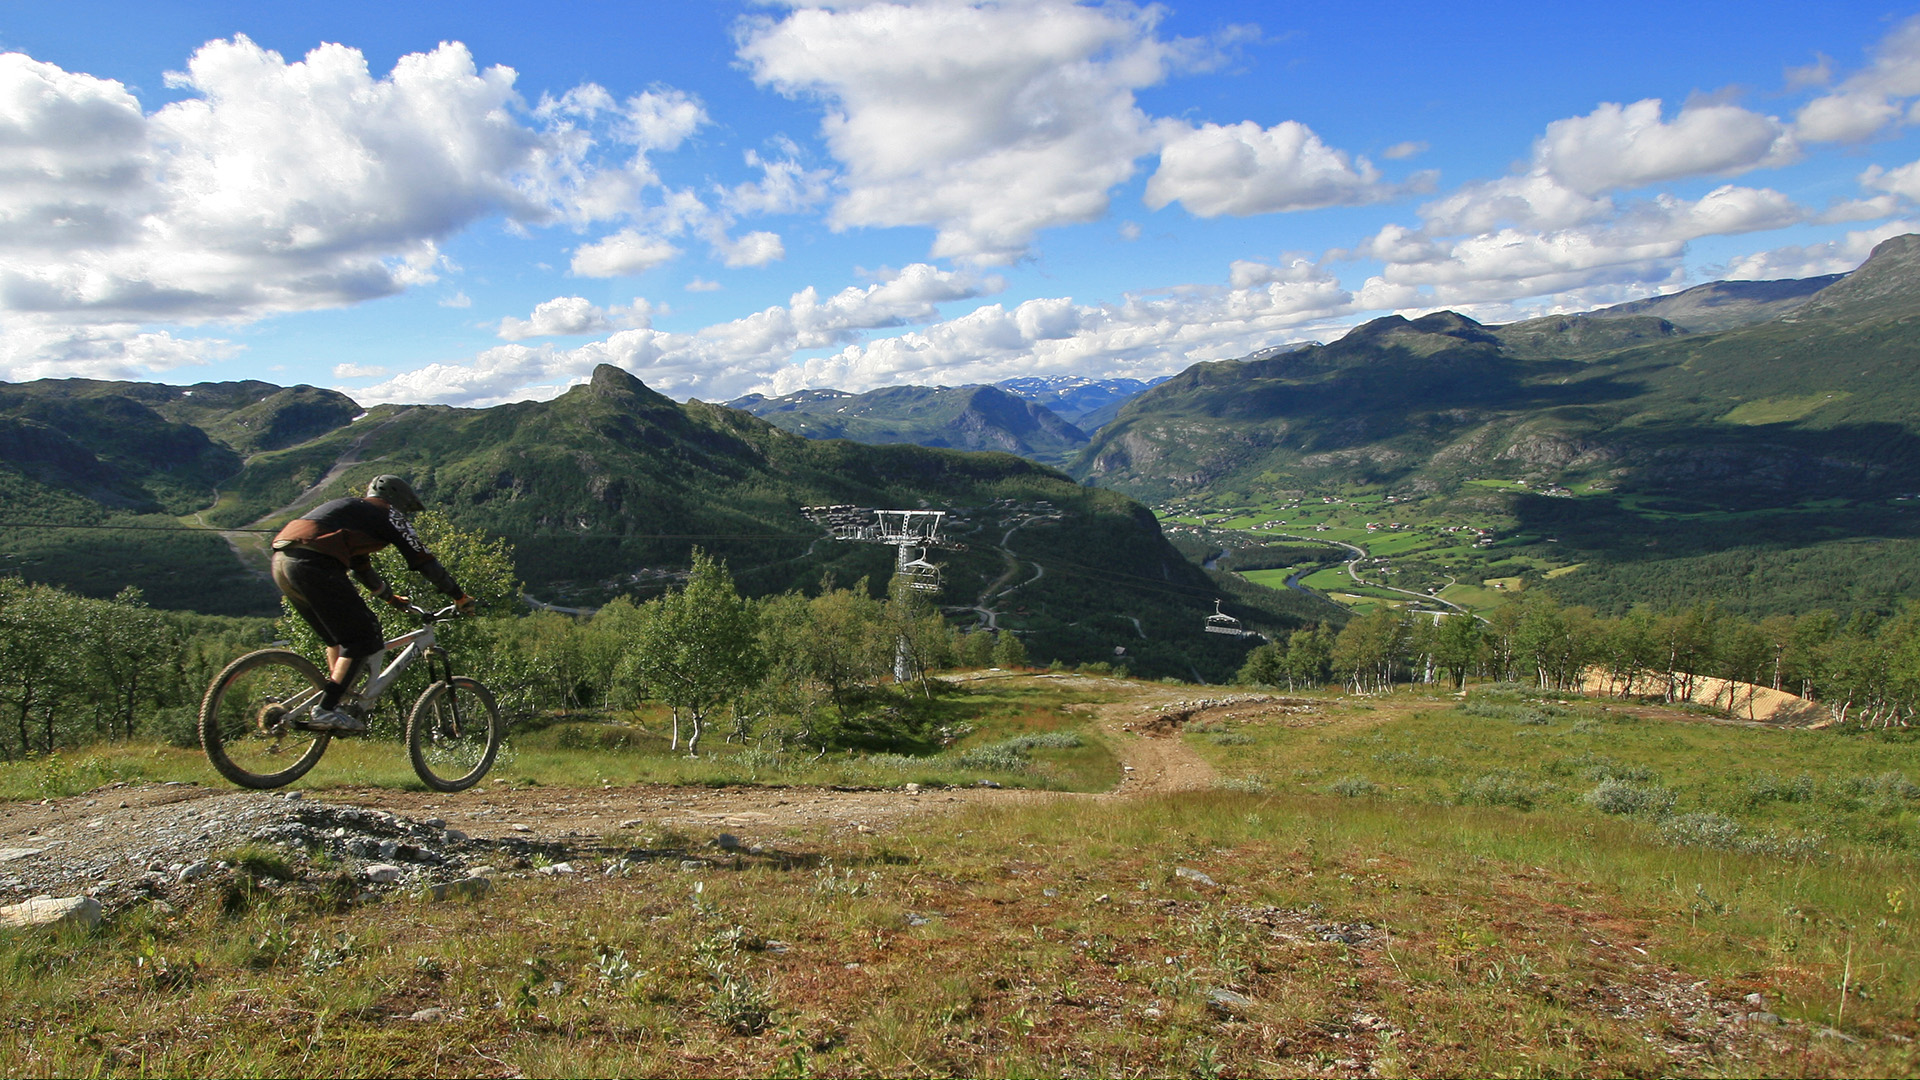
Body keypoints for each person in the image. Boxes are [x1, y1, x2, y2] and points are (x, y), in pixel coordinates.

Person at [269, 474, 475, 732]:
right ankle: (326, 709)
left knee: (339, 640)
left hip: (283, 562)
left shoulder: (358, 514)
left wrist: (391, 598)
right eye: (406, 509)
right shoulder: (387, 512)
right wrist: (459, 596)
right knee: (365, 638)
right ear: (398, 498)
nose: (405, 515)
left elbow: (362, 570)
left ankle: (338, 697)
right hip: (314, 564)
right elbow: (423, 560)